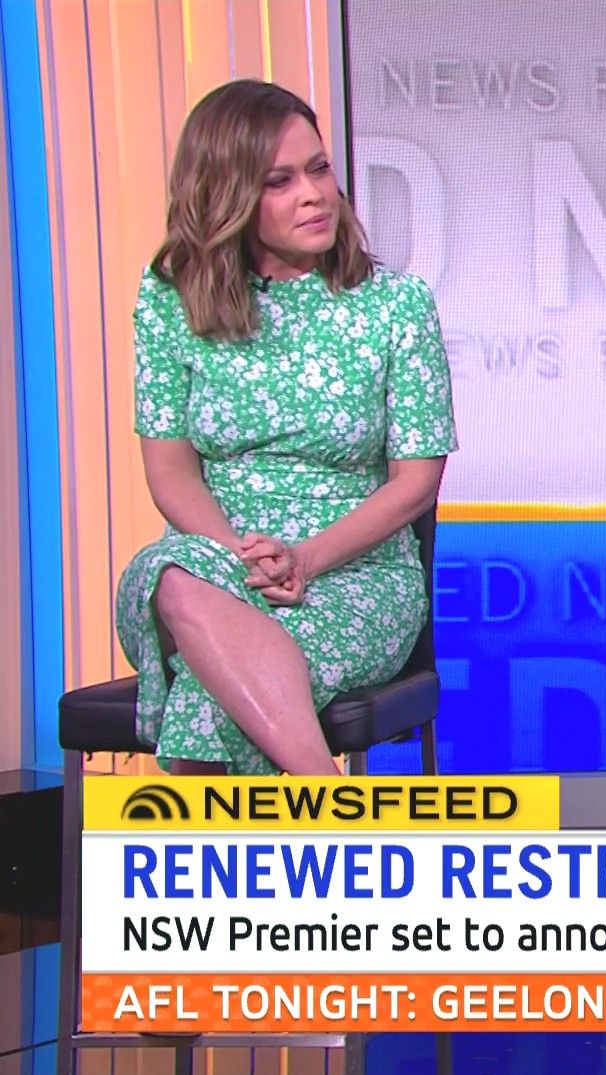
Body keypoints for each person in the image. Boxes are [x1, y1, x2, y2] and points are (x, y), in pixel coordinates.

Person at [114, 79, 457, 777]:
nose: (314, 195)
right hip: (215, 561)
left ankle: (312, 812)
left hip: (356, 574)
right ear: (227, 195)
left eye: (319, 168)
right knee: (174, 579)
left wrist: (304, 560)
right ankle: (333, 810)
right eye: (280, 181)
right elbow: (169, 471)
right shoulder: (170, 301)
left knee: (209, 693)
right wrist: (242, 558)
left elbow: (416, 482)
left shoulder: (395, 305)